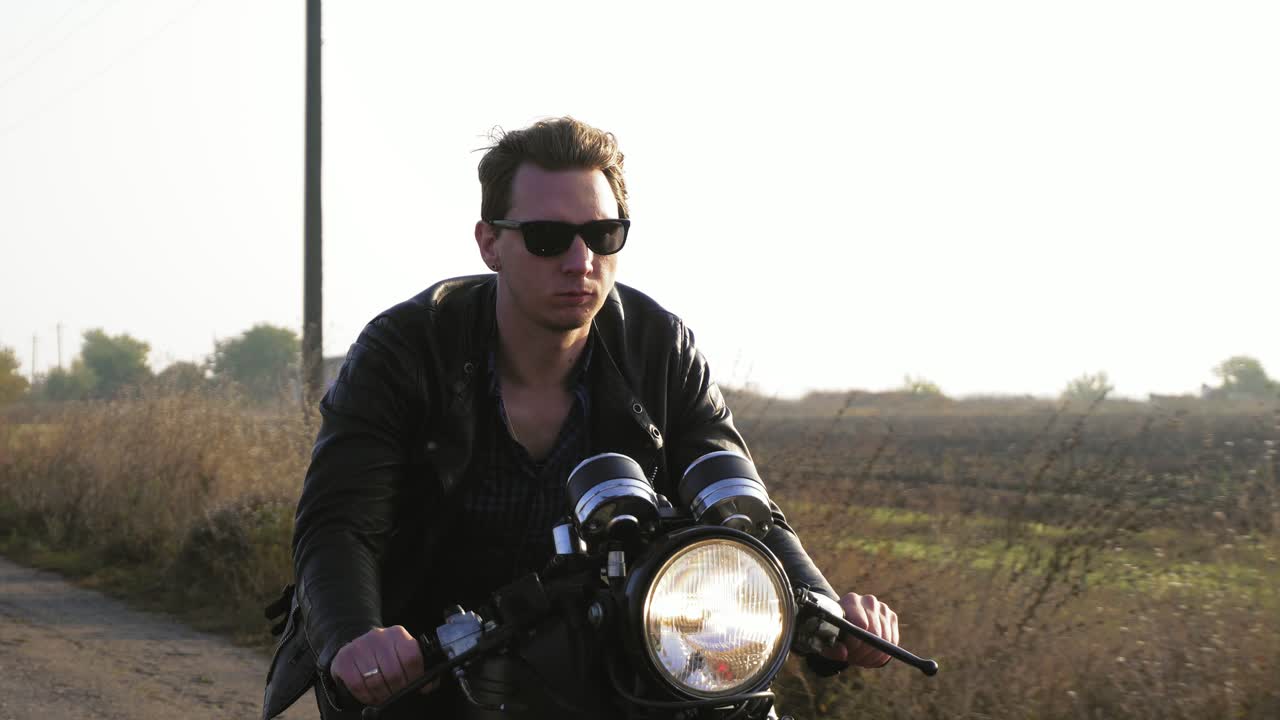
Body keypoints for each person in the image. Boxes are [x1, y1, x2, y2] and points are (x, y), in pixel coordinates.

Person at [262, 117, 899, 720]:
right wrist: (356, 637)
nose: (580, 260)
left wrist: (827, 611)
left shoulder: (661, 349)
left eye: (602, 235)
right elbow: (340, 522)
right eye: (547, 237)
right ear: (490, 243)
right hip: (431, 665)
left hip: (615, 665)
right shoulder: (406, 350)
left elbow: (742, 503)